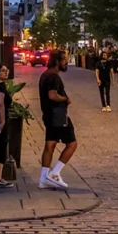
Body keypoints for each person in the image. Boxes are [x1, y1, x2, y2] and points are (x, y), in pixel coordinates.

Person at [38, 49, 77, 191]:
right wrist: (65, 98)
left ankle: (43, 178)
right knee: (72, 144)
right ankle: (55, 173)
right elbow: (52, 95)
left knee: (50, 145)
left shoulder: (44, 75)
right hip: (58, 115)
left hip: (48, 115)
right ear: (57, 61)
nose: (66, 62)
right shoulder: (54, 77)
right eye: (64, 59)